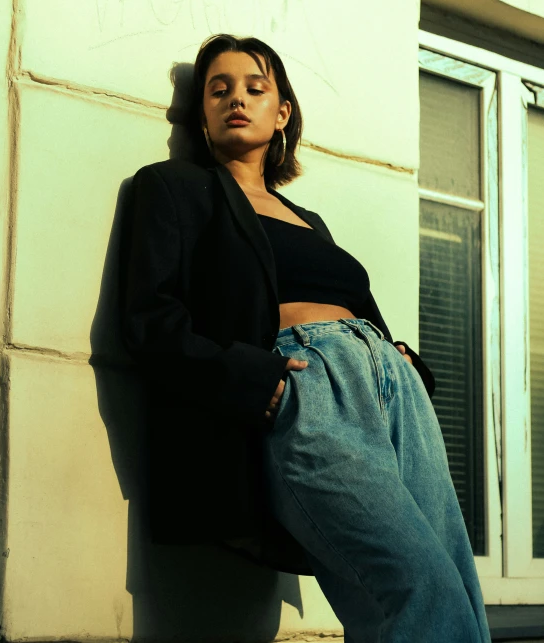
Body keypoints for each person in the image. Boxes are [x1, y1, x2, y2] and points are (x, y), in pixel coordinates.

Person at [121, 34, 491, 642]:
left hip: (392, 394)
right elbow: (150, 320)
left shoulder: (309, 220)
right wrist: (252, 381)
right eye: (219, 89)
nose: (235, 99)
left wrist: (401, 362)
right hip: (307, 388)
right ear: (202, 112)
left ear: (281, 112)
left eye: (254, 88)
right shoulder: (175, 189)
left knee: (457, 585)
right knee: (415, 586)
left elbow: (361, 309)